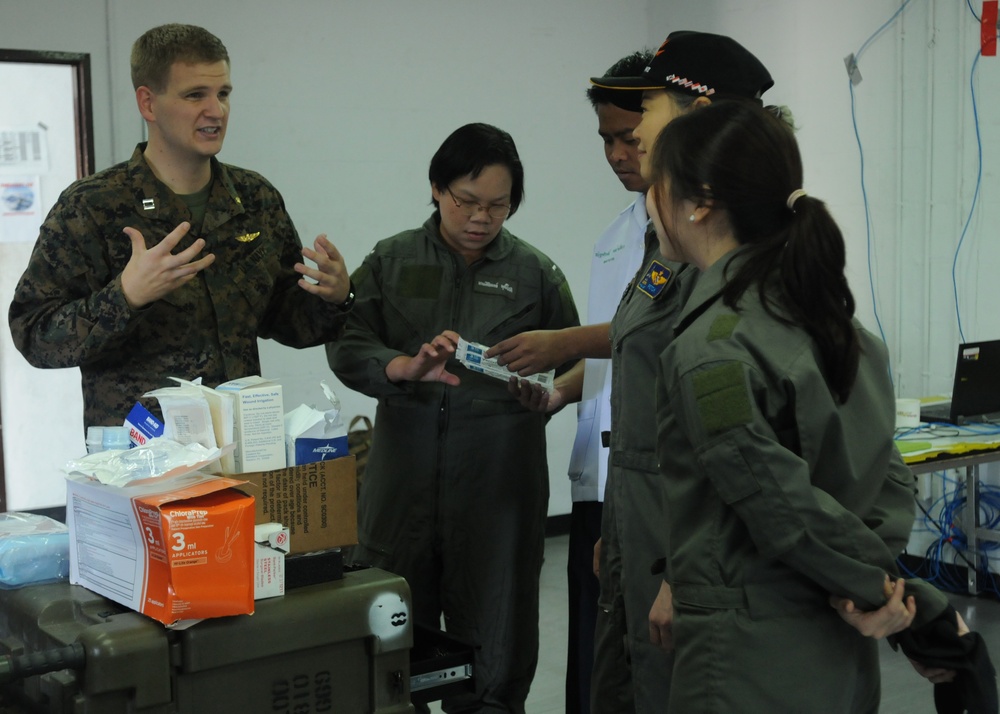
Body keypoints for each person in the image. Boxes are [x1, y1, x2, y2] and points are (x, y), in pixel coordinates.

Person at [644, 98, 983, 711]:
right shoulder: (833, 324)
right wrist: (888, 592)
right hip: (838, 647)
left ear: (698, 200)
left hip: (749, 657)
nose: (649, 203)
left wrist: (885, 595)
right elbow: (886, 479)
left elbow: (779, 507)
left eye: (654, 186)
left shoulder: (714, 348)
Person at [489, 31, 776, 714]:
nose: (625, 147)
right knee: (615, 675)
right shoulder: (643, 231)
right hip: (630, 489)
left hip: (691, 509)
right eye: (609, 137)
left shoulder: (746, 247)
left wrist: (681, 563)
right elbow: (641, 351)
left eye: (641, 121)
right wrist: (564, 391)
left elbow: (746, 449)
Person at [325, 122, 580, 714]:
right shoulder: (391, 261)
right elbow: (345, 339)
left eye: (499, 205)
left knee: (494, 655)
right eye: (467, 201)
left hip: (497, 497)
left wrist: (557, 391)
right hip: (399, 492)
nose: (481, 218)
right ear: (437, 189)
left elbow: (581, 363)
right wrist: (398, 369)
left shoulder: (535, 275)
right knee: (390, 652)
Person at [7, 23, 352, 431]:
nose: (216, 110)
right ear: (148, 103)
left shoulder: (254, 197)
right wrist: (126, 297)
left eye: (223, 94)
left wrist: (335, 297)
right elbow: (34, 335)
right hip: (143, 463)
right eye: (195, 95)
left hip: (242, 448)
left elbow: (285, 320)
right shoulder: (92, 206)